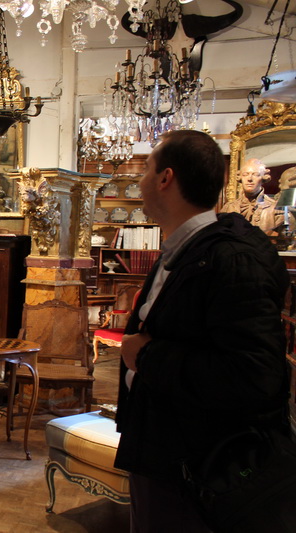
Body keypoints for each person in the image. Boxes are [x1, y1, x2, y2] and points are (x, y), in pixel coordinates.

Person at [115, 130, 293, 532]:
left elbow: (255, 376)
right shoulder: (183, 250)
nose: (139, 181)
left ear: (166, 178)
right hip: (165, 452)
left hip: (201, 470)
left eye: (146, 170)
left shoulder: (231, 258)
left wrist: (146, 356)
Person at [219, 158, 285, 234]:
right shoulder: (228, 208)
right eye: (245, 174)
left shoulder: (276, 209)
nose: (249, 179)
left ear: (263, 178)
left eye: (256, 175)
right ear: (240, 178)